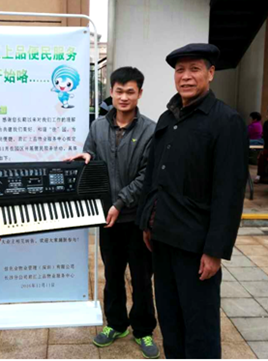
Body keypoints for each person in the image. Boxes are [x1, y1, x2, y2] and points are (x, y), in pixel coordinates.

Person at [136, 44, 248, 359]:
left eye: (194, 69)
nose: (185, 77)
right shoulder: (166, 119)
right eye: (180, 70)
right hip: (162, 239)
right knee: (170, 320)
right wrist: (147, 220)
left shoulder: (225, 121)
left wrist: (215, 251)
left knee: (200, 327)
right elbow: (153, 177)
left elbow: (229, 193)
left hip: (195, 246)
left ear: (210, 73)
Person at [66, 67, 159, 358]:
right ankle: (116, 324)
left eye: (130, 91)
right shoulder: (98, 127)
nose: (124, 97)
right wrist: (86, 156)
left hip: (136, 219)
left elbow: (147, 176)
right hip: (108, 219)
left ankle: (143, 329)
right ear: (112, 92)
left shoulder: (150, 130)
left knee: (141, 278)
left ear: (139, 93)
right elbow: (91, 158)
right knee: (113, 274)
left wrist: (120, 202)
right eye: (119, 91)